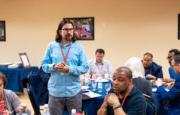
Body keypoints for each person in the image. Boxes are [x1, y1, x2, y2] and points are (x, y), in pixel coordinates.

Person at [41, 19, 89, 115]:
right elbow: (44, 66)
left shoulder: (79, 48)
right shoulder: (51, 47)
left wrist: (70, 69)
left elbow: (85, 67)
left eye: (71, 29)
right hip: (55, 92)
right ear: (60, 31)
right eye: (66, 29)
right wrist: (54, 66)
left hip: (74, 92)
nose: (69, 32)